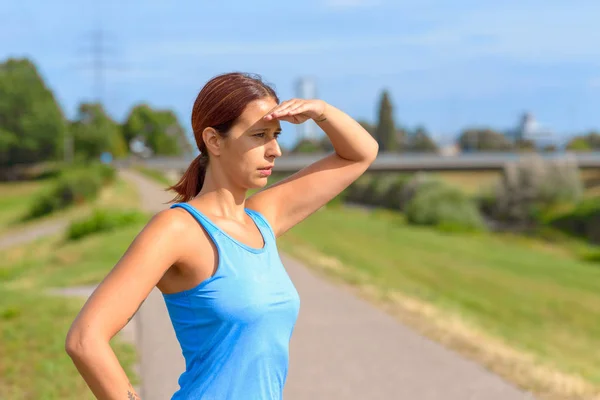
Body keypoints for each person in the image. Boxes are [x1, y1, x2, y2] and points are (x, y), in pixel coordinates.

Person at [65, 72, 379, 400]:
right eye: (259, 135)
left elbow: (361, 153)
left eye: (276, 135)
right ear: (214, 141)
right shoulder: (177, 230)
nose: (275, 151)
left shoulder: (263, 219)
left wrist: (321, 111)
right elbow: (85, 339)